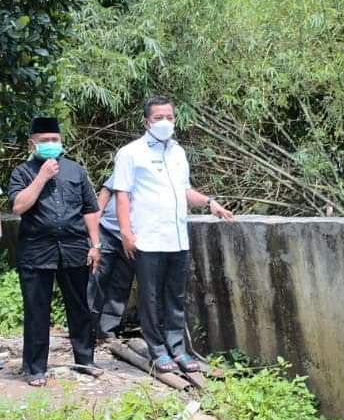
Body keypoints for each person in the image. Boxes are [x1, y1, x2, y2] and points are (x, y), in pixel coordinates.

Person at [112, 96, 234, 374]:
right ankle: (157, 350)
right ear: (146, 122)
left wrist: (209, 202)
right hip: (148, 238)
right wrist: (126, 234)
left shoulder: (178, 152)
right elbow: (122, 196)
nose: (165, 122)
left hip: (177, 238)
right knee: (151, 296)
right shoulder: (131, 153)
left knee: (175, 296)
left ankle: (177, 348)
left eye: (169, 117)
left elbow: (184, 191)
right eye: (158, 118)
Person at [7, 116, 103, 387]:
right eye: (45, 140)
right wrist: (42, 177)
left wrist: (96, 244)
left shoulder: (75, 171)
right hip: (37, 251)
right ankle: (35, 368)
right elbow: (18, 207)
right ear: (32, 144)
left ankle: (85, 360)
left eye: (55, 140)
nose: (51, 144)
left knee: (80, 307)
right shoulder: (22, 173)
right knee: (37, 310)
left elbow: (90, 209)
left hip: (74, 249)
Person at [87, 174, 134, 341]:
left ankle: (107, 330)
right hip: (107, 230)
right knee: (96, 279)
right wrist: (95, 221)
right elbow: (106, 193)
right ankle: (87, 328)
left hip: (132, 238)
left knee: (120, 285)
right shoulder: (129, 162)